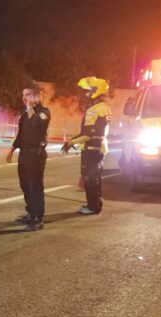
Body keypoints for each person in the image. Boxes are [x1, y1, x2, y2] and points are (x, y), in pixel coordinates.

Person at [62, 76, 111, 215]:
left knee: (90, 179)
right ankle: (94, 204)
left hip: (91, 150)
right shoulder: (105, 107)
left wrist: (71, 142)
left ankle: (92, 207)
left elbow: (88, 134)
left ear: (96, 91)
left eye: (89, 90)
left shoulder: (94, 110)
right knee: (95, 178)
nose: (86, 94)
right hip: (100, 148)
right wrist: (73, 140)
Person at [6, 85, 51, 231]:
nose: (24, 98)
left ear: (36, 97)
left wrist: (30, 108)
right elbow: (21, 134)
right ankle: (30, 213)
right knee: (25, 185)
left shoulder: (44, 112)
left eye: (28, 95)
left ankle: (38, 218)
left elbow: (37, 123)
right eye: (23, 95)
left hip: (36, 155)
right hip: (24, 154)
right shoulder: (25, 115)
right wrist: (12, 149)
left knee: (35, 186)